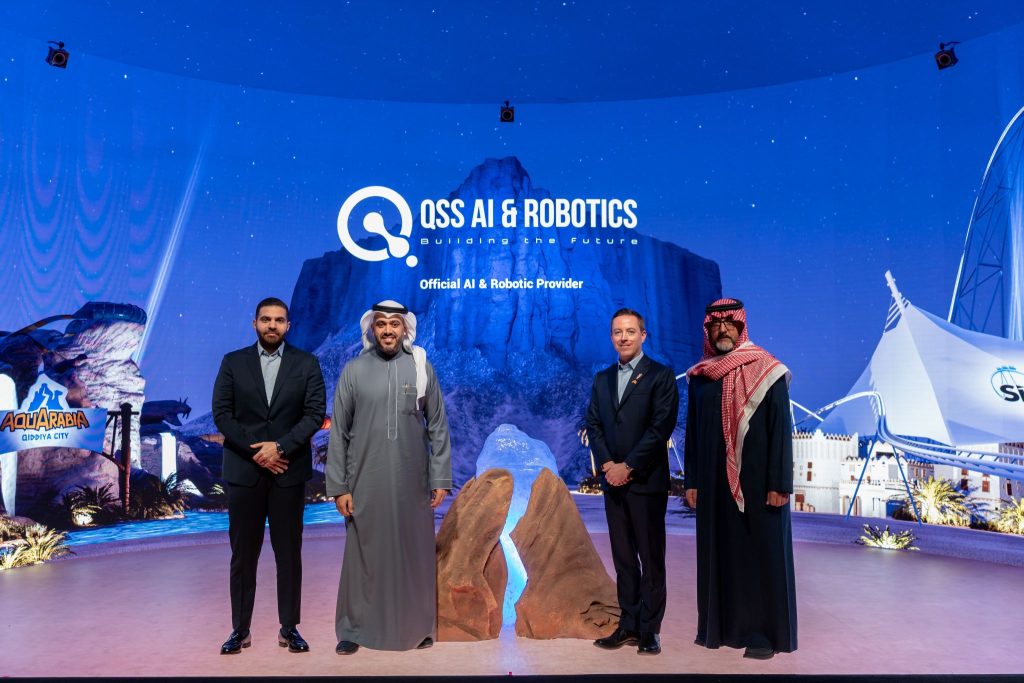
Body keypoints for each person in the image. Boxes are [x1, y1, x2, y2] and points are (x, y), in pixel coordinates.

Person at [326, 300, 452, 654]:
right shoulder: (353, 371)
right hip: (364, 480)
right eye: (380, 323)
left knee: (414, 553)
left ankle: (419, 626)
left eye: (394, 324)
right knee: (363, 556)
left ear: (404, 328)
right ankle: (353, 629)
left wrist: (440, 478)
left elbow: (438, 425)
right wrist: (339, 486)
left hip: (413, 482)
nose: (387, 330)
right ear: (372, 328)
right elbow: (339, 433)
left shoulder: (421, 366)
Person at [212, 297, 327, 655]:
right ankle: (239, 630)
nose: (272, 325)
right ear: (255, 324)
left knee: (289, 554)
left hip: (287, 473)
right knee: (243, 556)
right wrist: (259, 452)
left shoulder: (307, 363)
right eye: (266, 319)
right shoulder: (233, 362)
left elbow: (314, 414)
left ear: (288, 325)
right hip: (244, 473)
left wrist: (279, 447)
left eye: (279, 320)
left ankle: (289, 628)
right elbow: (222, 414)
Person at [684, 298, 797, 659]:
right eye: (715, 325)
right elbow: (693, 434)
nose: (723, 330)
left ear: (741, 326)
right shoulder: (700, 378)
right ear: (708, 330)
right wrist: (692, 481)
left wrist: (780, 484)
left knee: (760, 556)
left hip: (759, 485)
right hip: (713, 485)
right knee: (720, 554)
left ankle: (763, 635)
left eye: (729, 323)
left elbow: (781, 430)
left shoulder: (768, 370)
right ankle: (720, 629)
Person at [586, 308, 679, 655]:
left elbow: (660, 428)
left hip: (645, 483)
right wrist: (608, 465)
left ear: (643, 335)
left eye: (629, 331)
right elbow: (593, 424)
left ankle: (649, 630)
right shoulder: (602, 379)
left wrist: (628, 466)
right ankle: (628, 624)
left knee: (651, 560)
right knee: (624, 559)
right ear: (611, 337)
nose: (623, 337)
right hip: (613, 483)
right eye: (617, 332)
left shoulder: (661, 376)